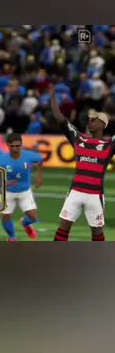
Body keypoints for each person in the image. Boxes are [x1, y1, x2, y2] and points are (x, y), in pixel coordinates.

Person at [49, 85, 115, 241]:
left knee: (97, 233)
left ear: (103, 124)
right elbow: (61, 119)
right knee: (63, 228)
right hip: (75, 192)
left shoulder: (109, 145)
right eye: (89, 120)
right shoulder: (79, 139)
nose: (89, 122)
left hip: (95, 195)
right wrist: (53, 98)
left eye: (94, 120)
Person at [0, 133, 43, 241]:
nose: (15, 149)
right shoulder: (1, 160)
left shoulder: (29, 156)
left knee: (33, 218)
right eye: (12, 146)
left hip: (25, 191)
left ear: (21, 145)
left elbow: (40, 159)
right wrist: (5, 183)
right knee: (5, 217)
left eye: (17, 146)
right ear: (7, 145)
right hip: (7, 192)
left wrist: (39, 175)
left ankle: (25, 223)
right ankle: (12, 237)